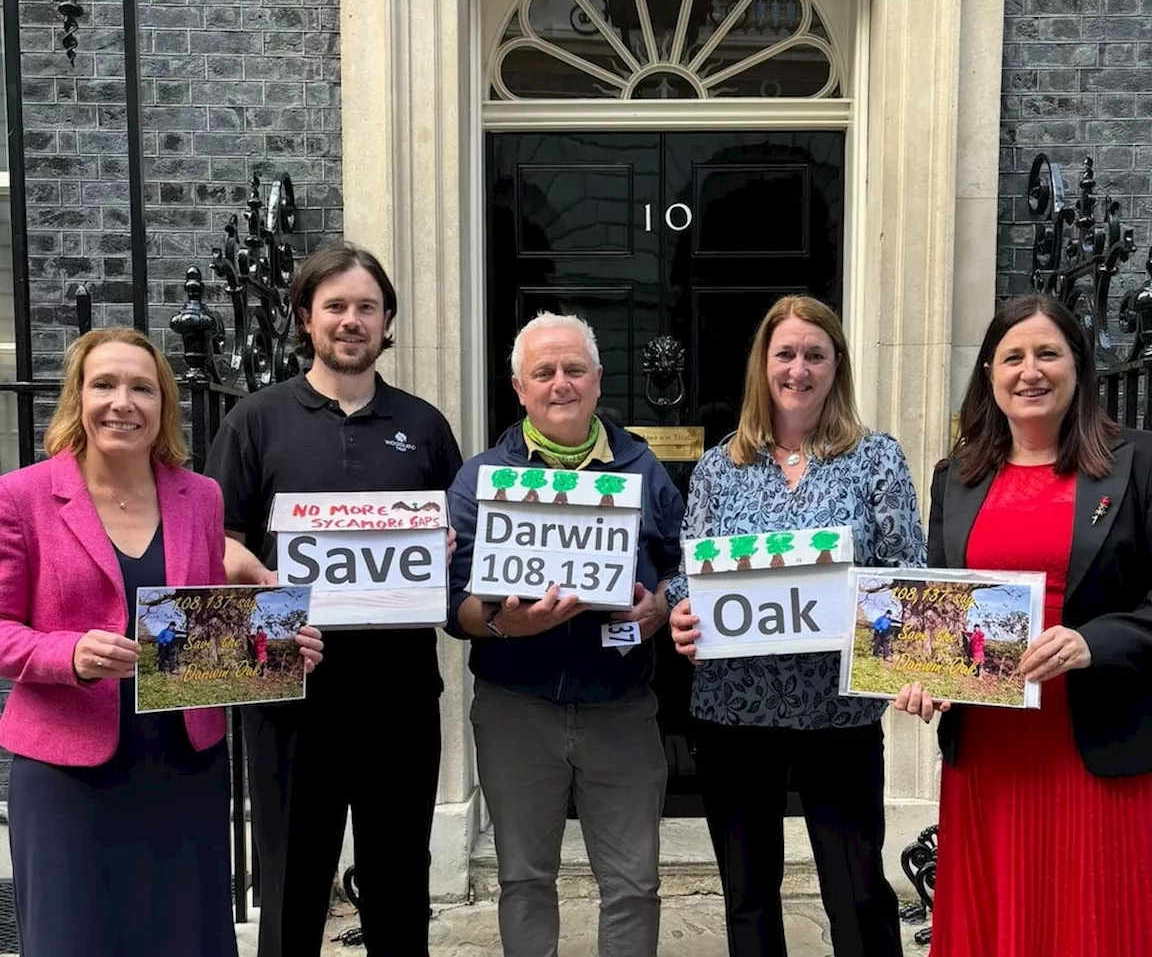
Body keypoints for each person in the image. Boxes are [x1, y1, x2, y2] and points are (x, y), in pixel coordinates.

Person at [895, 294, 1152, 957]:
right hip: (993, 753)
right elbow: (939, 607)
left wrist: (1091, 642)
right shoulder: (953, 478)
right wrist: (925, 678)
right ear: (989, 372)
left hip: (1106, 748)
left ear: (1078, 366)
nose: (1029, 370)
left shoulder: (1145, 460)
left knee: (1107, 927)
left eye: (1048, 353)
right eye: (1012, 356)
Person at [0, 328, 323, 957]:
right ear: (78, 397)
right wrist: (68, 655)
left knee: (183, 938)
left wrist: (278, 647)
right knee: (76, 938)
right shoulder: (23, 497)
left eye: (142, 388)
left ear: (163, 406)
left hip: (183, 765)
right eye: (105, 385)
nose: (123, 402)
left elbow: (204, 629)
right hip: (69, 773)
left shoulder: (198, 497)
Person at [205, 241, 464, 957]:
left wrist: (442, 548)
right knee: (291, 880)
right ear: (305, 317)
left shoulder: (426, 425)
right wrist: (267, 590)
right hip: (288, 684)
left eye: (367, 308)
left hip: (401, 690)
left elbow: (460, 537)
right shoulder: (255, 420)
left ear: (387, 323)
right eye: (336, 307)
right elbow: (217, 542)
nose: (352, 320)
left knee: (402, 881)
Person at [666, 295, 925, 957]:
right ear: (763, 365)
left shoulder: (875, 459)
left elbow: (907, 573)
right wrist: (681, 614)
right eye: (786, 353)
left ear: (836, 366)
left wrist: (909, 661)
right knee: (749, 898)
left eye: (815, 353)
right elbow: (686, 574)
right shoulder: (721, 467)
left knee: (859, 895)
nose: (799, 368)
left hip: (838, 713)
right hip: (733, 712)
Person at [446, 310, 684, 957]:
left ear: (598, 380)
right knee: (524, 880)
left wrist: (659, 607)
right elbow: (452, 600)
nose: (560, 383)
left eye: (573, 369)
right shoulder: (481, 479)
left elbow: (683, 562)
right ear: (519, 387)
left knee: (634, 885)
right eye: (543, 372)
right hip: (515, 708)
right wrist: (500, 620)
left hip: (622, 708)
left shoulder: (642, 467)